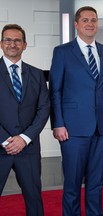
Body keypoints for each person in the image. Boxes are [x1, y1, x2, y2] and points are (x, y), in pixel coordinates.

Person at [49, 6, 103, 216]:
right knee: (73, 183)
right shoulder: (62, 52)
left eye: (93, 20)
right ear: (76, 24)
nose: (90, 24)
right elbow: (55, 90)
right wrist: (57, 122)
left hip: (101, 127)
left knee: (96, 182)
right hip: (72, 128)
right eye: (85, 20)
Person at [0, 24, 50, 216]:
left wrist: (24, 138)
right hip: (1, 147)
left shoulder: (37, 74)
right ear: (1, 44)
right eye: (8, 40)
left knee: (34, 199)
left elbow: (44, 108)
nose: (13, 44)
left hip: (28, 148)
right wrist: (6, 140)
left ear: (25, 45)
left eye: (17, 40)